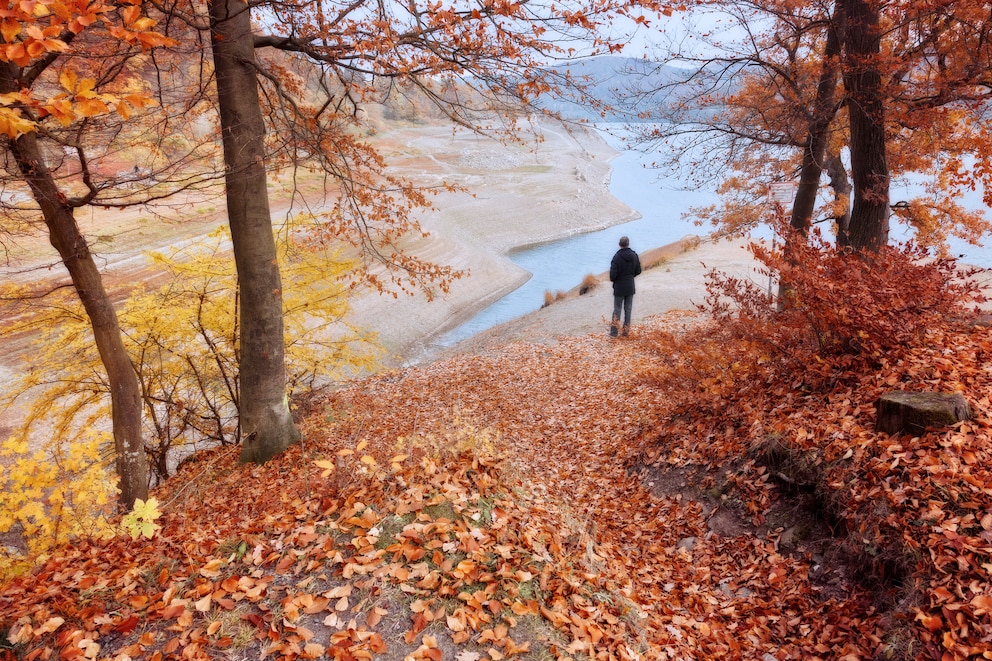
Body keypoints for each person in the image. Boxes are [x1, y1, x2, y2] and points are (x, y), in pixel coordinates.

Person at [609, 235, 641, 337]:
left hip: (619, 287)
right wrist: (630, 276)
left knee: (617, 309)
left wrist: (617, 279)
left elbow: (612, 276)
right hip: (630, 285)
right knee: (628, 309)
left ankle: (614, 332)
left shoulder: (616, 257)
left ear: (619, 245)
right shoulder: (634, 255)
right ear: (628, 244)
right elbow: (638, 270)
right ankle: (626, 331)